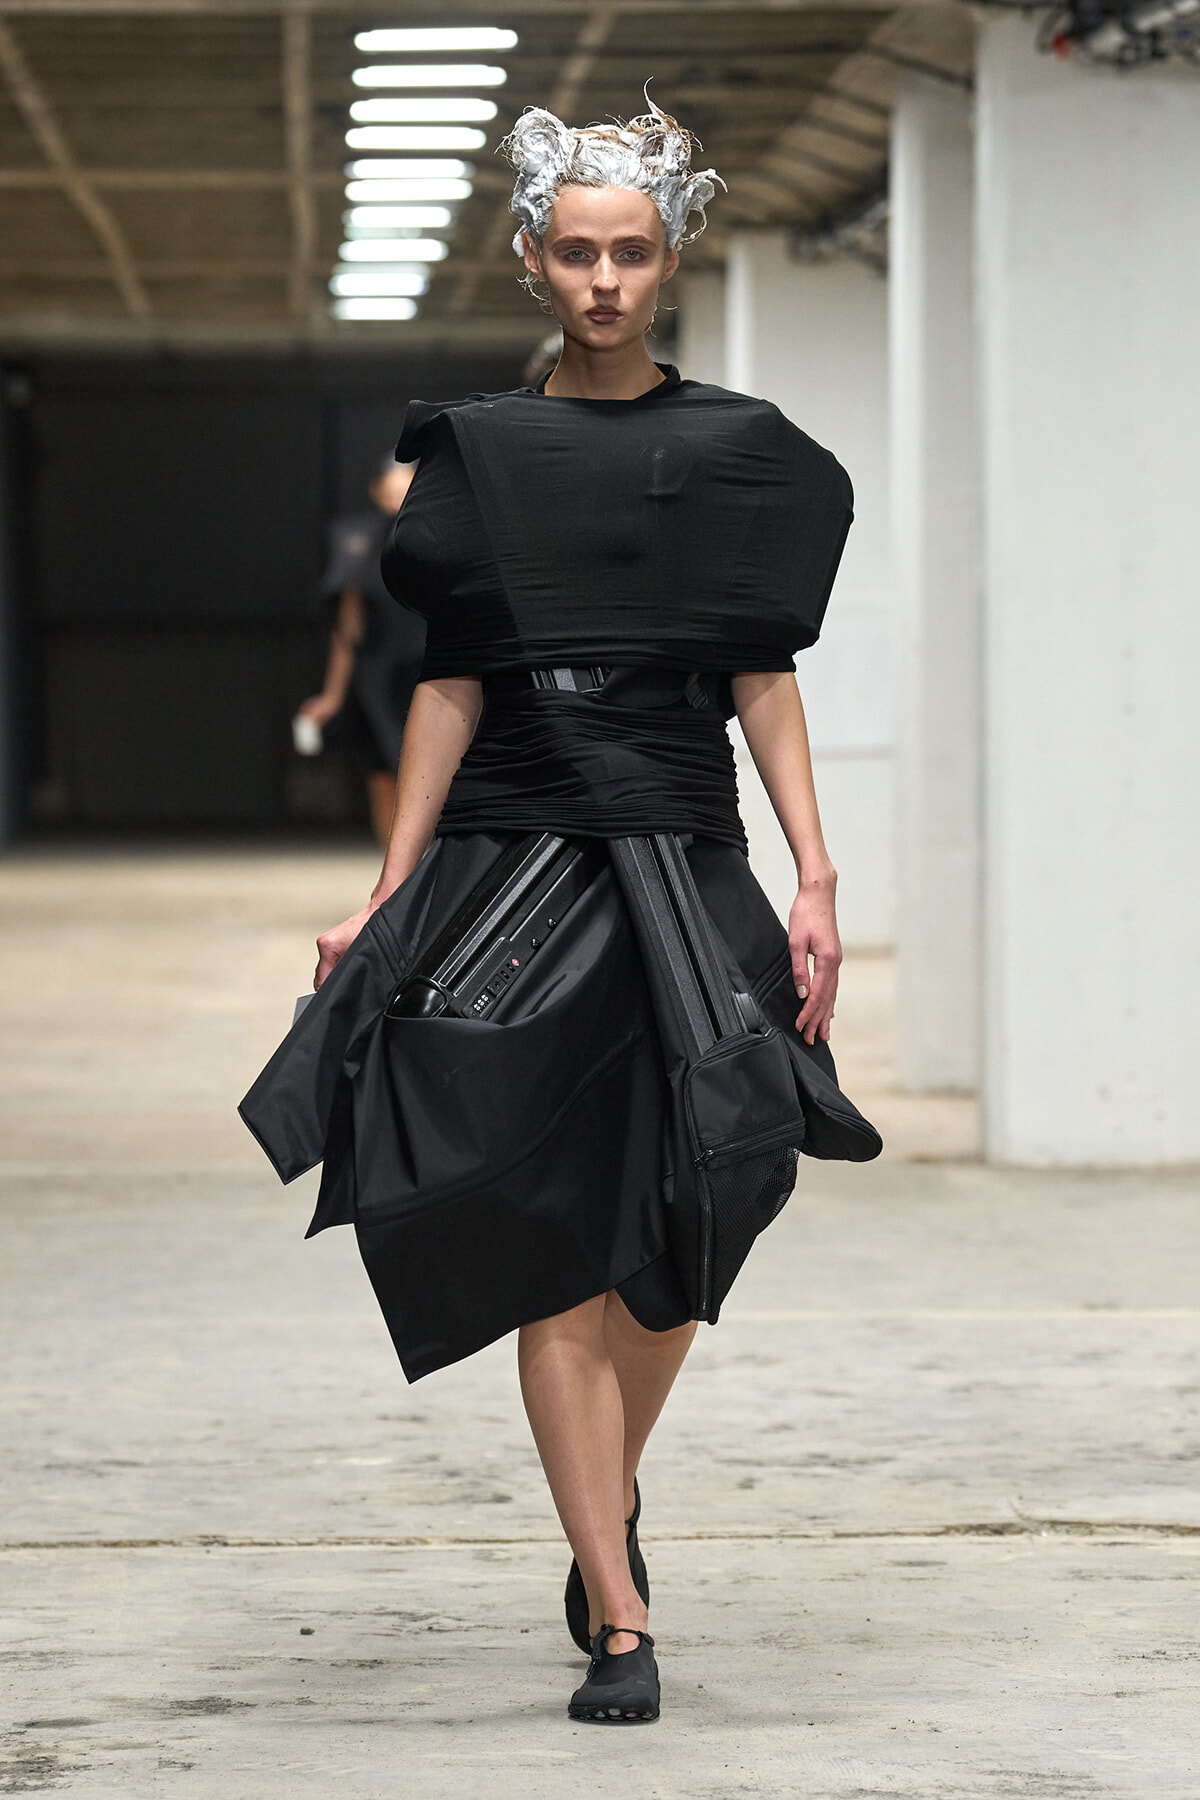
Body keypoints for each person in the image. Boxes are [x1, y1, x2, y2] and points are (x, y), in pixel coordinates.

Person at [241, 99, 878, 1725]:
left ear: (670, 258)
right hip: (521, 878)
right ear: (535, 259)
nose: (603, 280)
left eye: (631, 252)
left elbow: (760, 674)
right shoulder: (476, 455)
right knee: (553, 1251)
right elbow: (448, 691)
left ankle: (610, 1499)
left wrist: (813, 872)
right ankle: (618, 1608)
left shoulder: (734, 455)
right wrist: (383, 900)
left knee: (705, 1207)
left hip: (687, 861)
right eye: (576, 252)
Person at [297, 458, 424, 844]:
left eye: (405, 478)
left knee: (430, 771)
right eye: (388, 479)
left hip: (430, 670)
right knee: (382, 773)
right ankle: (394, 880)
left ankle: (431, 878)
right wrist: (333, 696)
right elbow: (348, 628)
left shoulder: (442, 536)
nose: (394, 486)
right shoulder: (357, 542)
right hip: (376, 677)